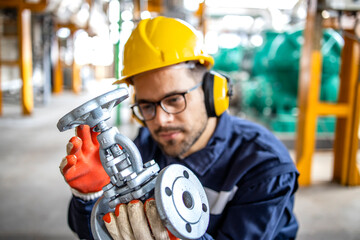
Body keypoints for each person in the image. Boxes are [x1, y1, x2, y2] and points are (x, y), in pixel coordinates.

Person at [60, 16, 299, 240]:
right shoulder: (146, 143)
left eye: (174, 100)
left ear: (212, 93)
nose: (161, 121)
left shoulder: (264, 167)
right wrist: (90, 196)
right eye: (147, 106)